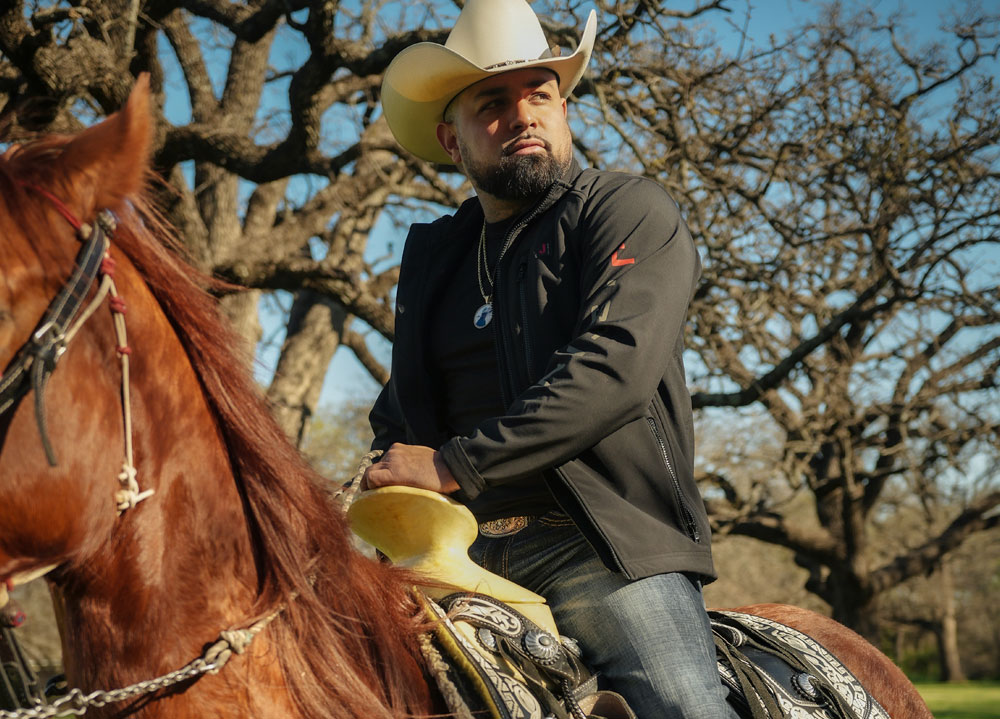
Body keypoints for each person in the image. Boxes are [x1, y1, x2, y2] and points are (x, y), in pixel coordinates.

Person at [362, 1, 736, 716]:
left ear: (564, 111)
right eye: (493, 103)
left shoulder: (625, 209)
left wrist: (450, 465)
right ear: (452, 139)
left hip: (600, 549)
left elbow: (613, 368)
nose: (524, 115)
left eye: (541, 94)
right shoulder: (437, 259)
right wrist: (382, 467)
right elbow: (401, 411)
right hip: (451, 553)